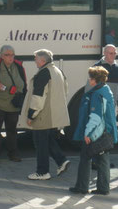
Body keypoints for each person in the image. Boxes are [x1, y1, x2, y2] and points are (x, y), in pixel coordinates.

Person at [70, 67, 118, 196]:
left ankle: (82, 186)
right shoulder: (106, 90)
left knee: (85, 158)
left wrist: (88, 134)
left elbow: (96, 116)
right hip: (105, 132)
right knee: (103, 160)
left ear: (95, 79)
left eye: (90, 77)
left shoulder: (97, 94)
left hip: (97, 133)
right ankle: (103, 188)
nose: (89, 80)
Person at [25, 49, 70, 180]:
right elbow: (65, 91)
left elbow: (38, 97)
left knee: (40, 143)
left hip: (43, 114)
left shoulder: (43, 73)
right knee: (48, 140)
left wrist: (31, 115)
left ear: (43, 60)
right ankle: (62, 161)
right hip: (54, 113)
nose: (35, 61)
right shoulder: (58, 71)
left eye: (36, 59)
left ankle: (42, 172)